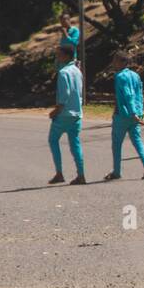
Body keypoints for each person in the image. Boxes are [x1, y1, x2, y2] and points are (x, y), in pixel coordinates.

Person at [105, 52, 144, 181]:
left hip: (123, 115)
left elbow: (128, 95)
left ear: (123, 62)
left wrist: (132, 113)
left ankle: (117, 171)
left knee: (116, 144)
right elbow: (139, 94)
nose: (113, 63)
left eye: (115, 61)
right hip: (136, 114)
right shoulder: (135, 75)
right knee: (137, 141)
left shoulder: (120, 76)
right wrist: (139, 112)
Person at [48, 42, 85, 185]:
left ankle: (59, 173)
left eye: (59, 54)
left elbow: (64, 96)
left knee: (53, 140)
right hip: (77, 113)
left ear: (65, 56)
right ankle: (81, 174)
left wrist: (55, 111)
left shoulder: (63, 73)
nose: (57, 57)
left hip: (64, 114)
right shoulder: (77, 71)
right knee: (75, 144)